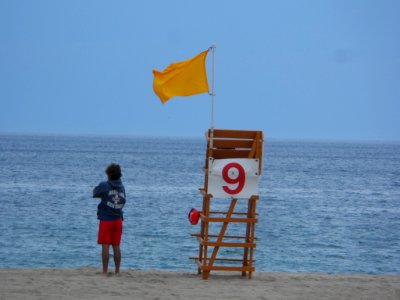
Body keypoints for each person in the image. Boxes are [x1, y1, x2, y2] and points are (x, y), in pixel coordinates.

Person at [93, 163, 126, 275]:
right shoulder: (122, 187)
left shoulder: (105, 185)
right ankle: (117, 270)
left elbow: (95, 193)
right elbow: (122, 201)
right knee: (116, 246)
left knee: (105, 245)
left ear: (109, 174)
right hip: (118, 219)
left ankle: (105, 271)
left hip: (106, 220)